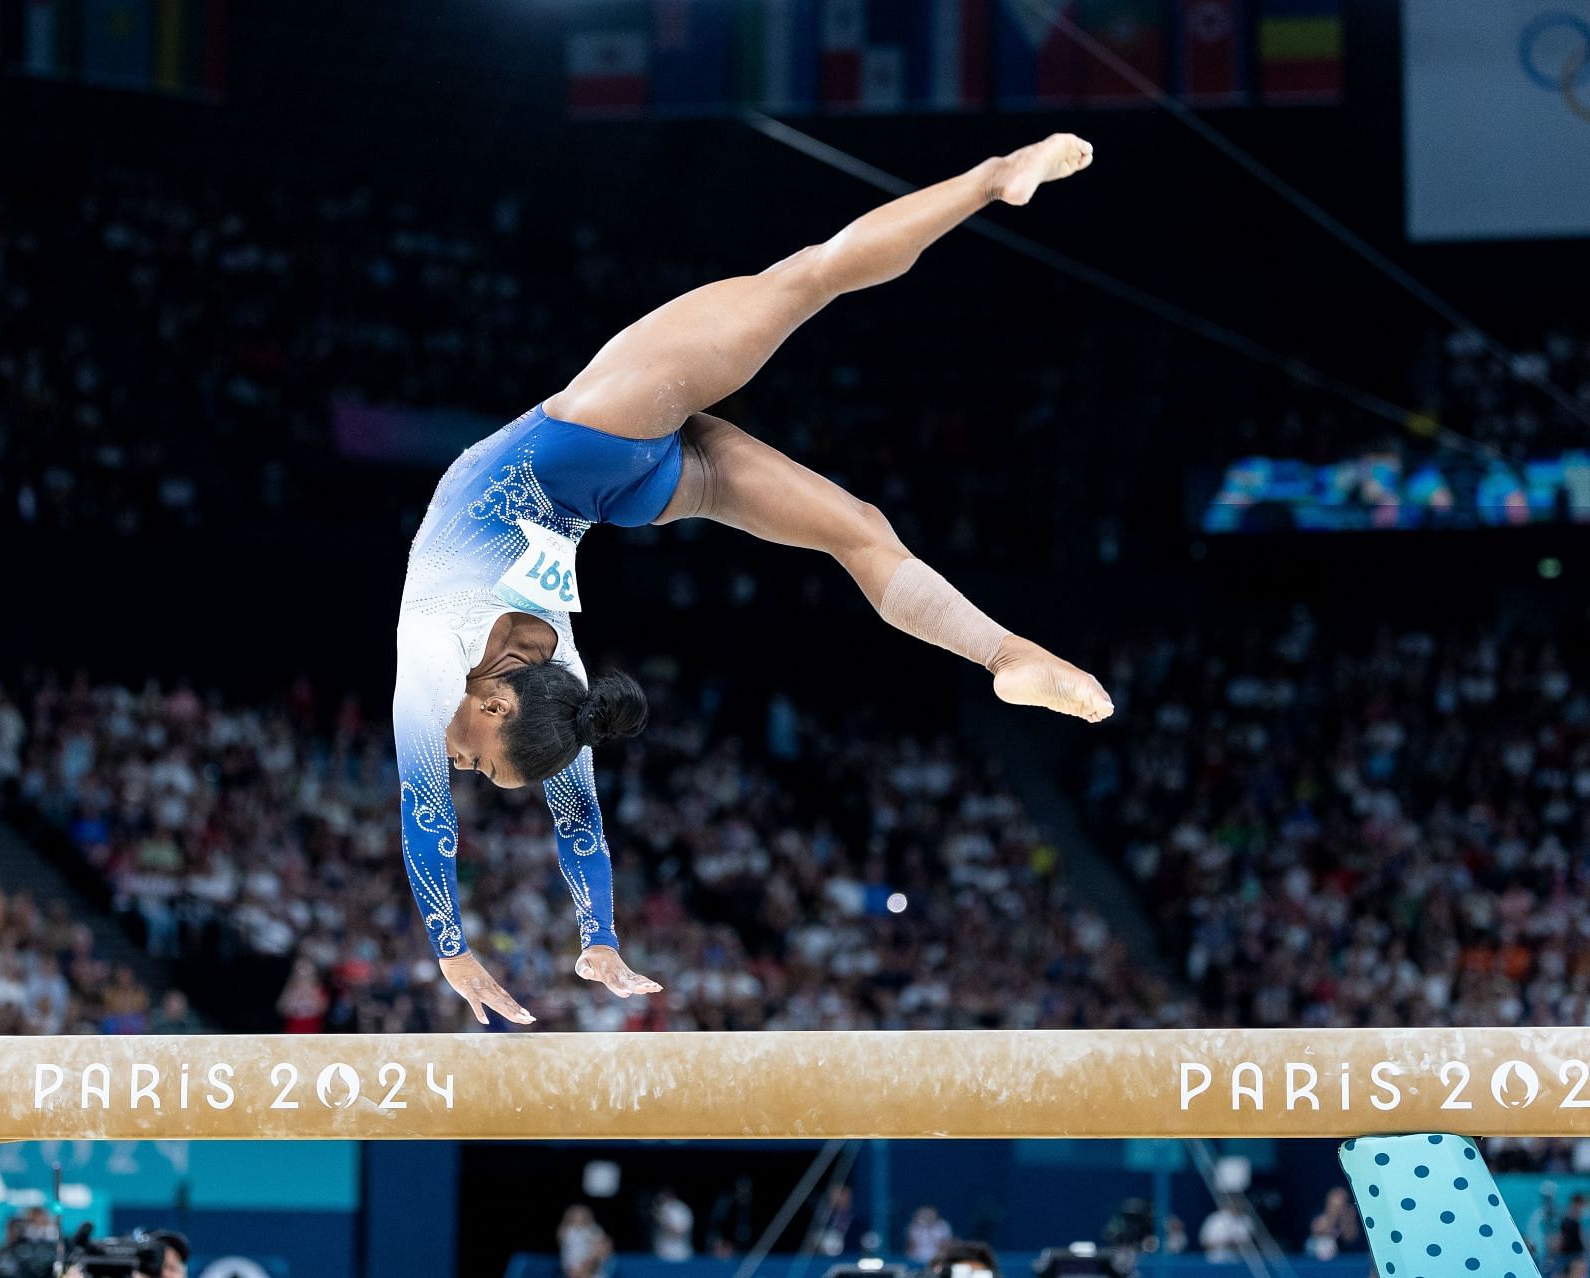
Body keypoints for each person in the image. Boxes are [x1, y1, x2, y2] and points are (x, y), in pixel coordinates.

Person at [396, 134, 1114, 1023]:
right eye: (483, 771)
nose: (461, 764)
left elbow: (423, 811)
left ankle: (992, 179)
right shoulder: (553, 688)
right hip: (609, 489)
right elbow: (576, 818)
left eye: (475, 761)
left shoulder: (433, 656)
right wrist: (600, 937)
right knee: (858, 530)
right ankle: (1006, 653)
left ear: (497, 706)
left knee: (807, 279)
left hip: (592, 431)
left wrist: (453, 952)